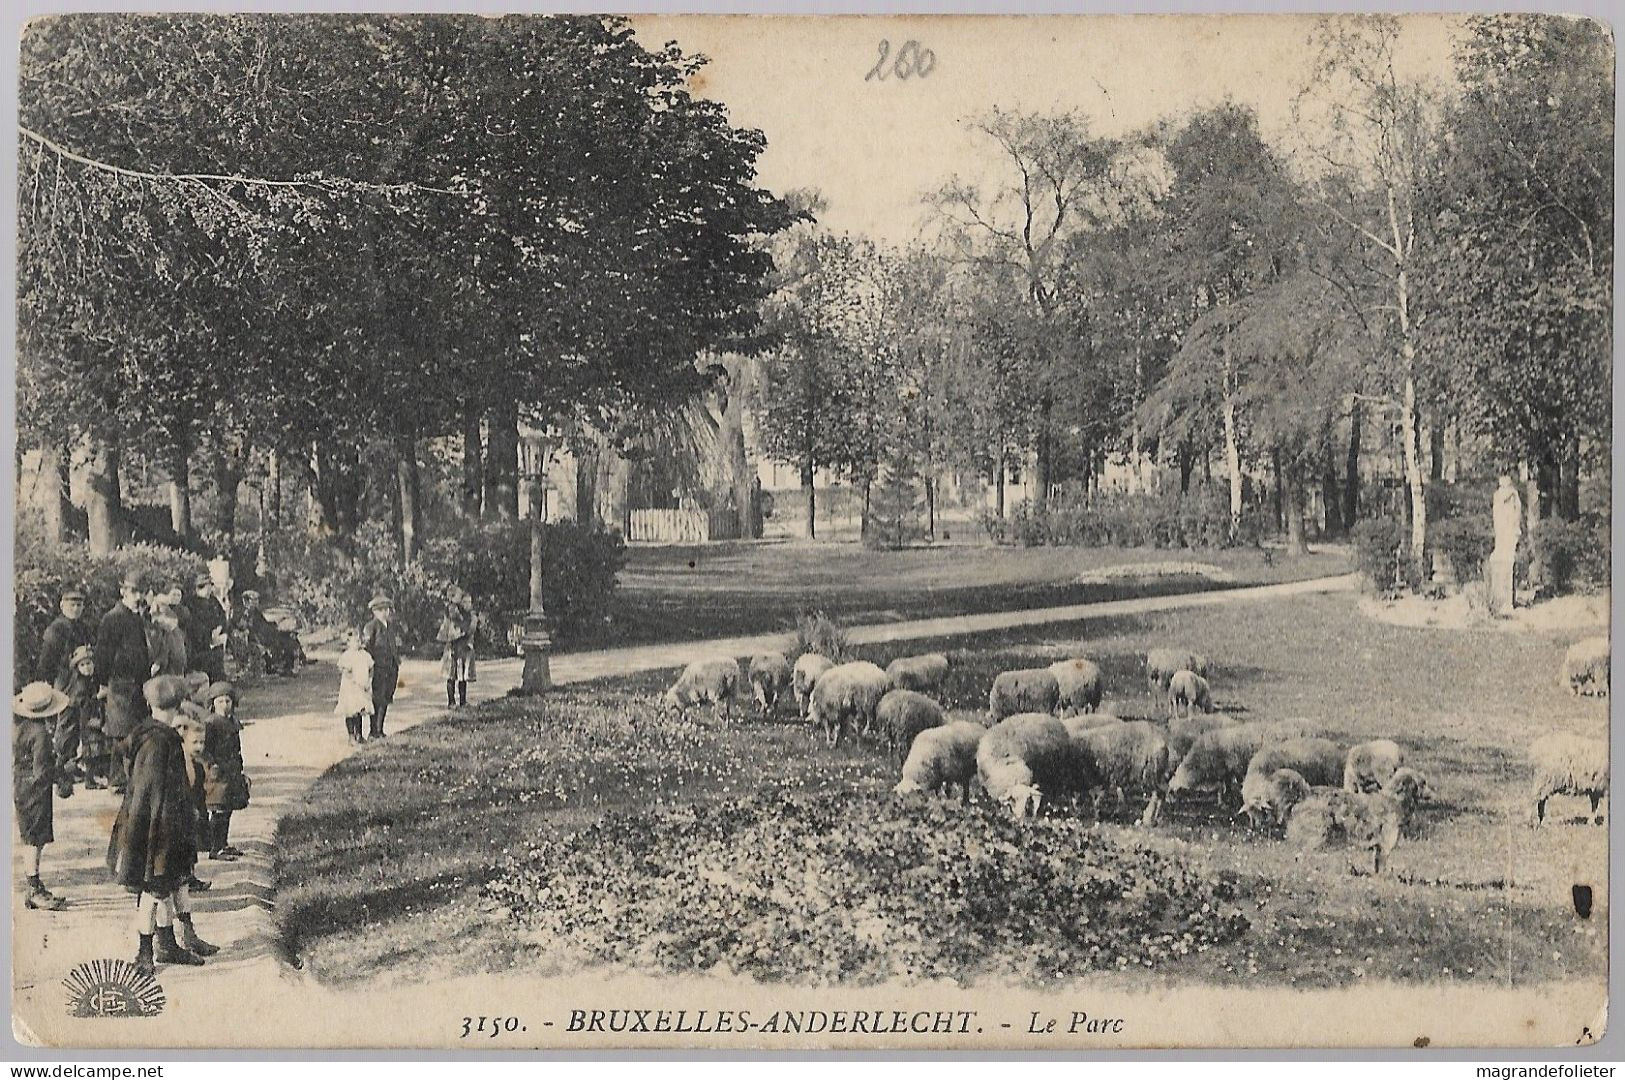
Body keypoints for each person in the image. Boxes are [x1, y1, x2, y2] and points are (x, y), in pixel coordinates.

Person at [107, 675, 218, 975]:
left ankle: (167, 944)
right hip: (161, 828)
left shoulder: (143, 733)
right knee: (154, 891)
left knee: (168, 884)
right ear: (179, 703)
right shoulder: (164, 741)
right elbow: (163, 790)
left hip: (143, 822)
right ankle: (145, 952)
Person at [14, 682, 71, 911]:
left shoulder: (18, 726)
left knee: (30, 836)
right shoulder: (41, 735)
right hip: (35, 792)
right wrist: (60, 779)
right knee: (35, 839)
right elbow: (42, 770)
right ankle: (34, 886)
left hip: (20, 784)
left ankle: (33, 885)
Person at [96, 572, 153, 795]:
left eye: (140, 592)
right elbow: (103, 655)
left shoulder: (136, 618)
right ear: (123, 592)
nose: (137, 596)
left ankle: (125, 777)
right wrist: (102, 683)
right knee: (122, 731)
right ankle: (118, 779)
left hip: (137, 683)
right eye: (133, 591)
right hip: (120, 684)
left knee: (135, 729)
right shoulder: (112, 619)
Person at [39, 588, 93, 785]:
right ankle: (60, 767)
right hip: (65, 683)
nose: (76, 608)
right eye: (72, 604)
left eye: (79, 605)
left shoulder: (82, 627)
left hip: (82, 682)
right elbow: (47, 660)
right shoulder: (56, 629)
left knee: (78, 724)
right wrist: (47, 682)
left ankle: (72, 765)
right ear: (63, 605)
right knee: (66, 724)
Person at [198, 681, 249, 859]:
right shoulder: (211, 724)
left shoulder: (233, 722)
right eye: (220, 702)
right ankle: (215, 847)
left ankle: (223, 843)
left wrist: (240, 766)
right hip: (217, 774)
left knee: (227, 808)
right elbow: (205, 750)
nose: (225, 705)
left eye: (228, 701)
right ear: (213, 704)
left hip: (231, 771)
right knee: (218, 809)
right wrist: (212, 767)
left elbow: (237, 747)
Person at [63, 647, 109, 791]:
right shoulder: (80, 684)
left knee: (98, 745)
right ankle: (90, 779)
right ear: (77, 668)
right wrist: (98, 697)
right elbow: (83, 703)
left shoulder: (90, 680)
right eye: (82, 665)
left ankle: (96, 775)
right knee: (90, 748)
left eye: (89, 663)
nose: (86, 667)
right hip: (87, 719)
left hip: (94, 716)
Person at [360, 595, 401, 740]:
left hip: (391, 667)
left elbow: (394, 645)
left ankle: (380, 729)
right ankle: (374, 731)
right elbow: (366, 648)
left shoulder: (390, 626)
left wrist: (396, 662)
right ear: (374, 612)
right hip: (378, 667)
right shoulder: (371, 627)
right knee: (377, 699)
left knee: (386, 697)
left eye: (387, 609)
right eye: (381, 610)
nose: (385, 612)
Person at [235, 590, 299, 676]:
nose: (256, 602)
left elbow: (264, 624)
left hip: (266, 636)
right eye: (253, 600)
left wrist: (276, 623)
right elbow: (247, 628)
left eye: (257, 599)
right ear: (246, 601)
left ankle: (290, 665)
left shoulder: (256, 612)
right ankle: (283, 667)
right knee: (284, 639)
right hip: (259, 639)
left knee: (289, 636)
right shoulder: (247, 614)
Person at [183, 574, 229, 683]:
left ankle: (218, 682)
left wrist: (220, 628)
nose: (209, 591)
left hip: (216, 638)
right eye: (206, 588)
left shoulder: (213, 600)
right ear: (198, 589)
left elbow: (222, 616)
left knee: (217, 661)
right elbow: (193, 624)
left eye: (210, 588)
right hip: (199, 643)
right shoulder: (191, 603)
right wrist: (209, 635)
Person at [436, 595, 478, 708]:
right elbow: (449, 632)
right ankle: (451, 701)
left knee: (463, 676)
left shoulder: (470, 617)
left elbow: (471, 630)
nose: (467, 604)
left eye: (469, 602)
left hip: (464, 649)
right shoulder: (453, 616)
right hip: (453, 649)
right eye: (464, 602)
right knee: (451, 675)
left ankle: (463, 701)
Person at [335, 630, 375, 745]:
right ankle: (351, 736)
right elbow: (342, 669)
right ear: (349, 643)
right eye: (355, 641)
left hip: (362, 686)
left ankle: (359, 734)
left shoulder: (364, 655)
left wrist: (369, 680)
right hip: (350, 687)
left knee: (359, 709)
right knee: (350, 710)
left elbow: (371, 667)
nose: (358, 643)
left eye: (359, 641)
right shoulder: (347, 655)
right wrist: (350, 677)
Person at [144, 586, 189, 678]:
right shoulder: (149, 622)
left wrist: (159, 662)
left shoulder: (170, 622)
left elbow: (171, 648)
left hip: (171, 665)